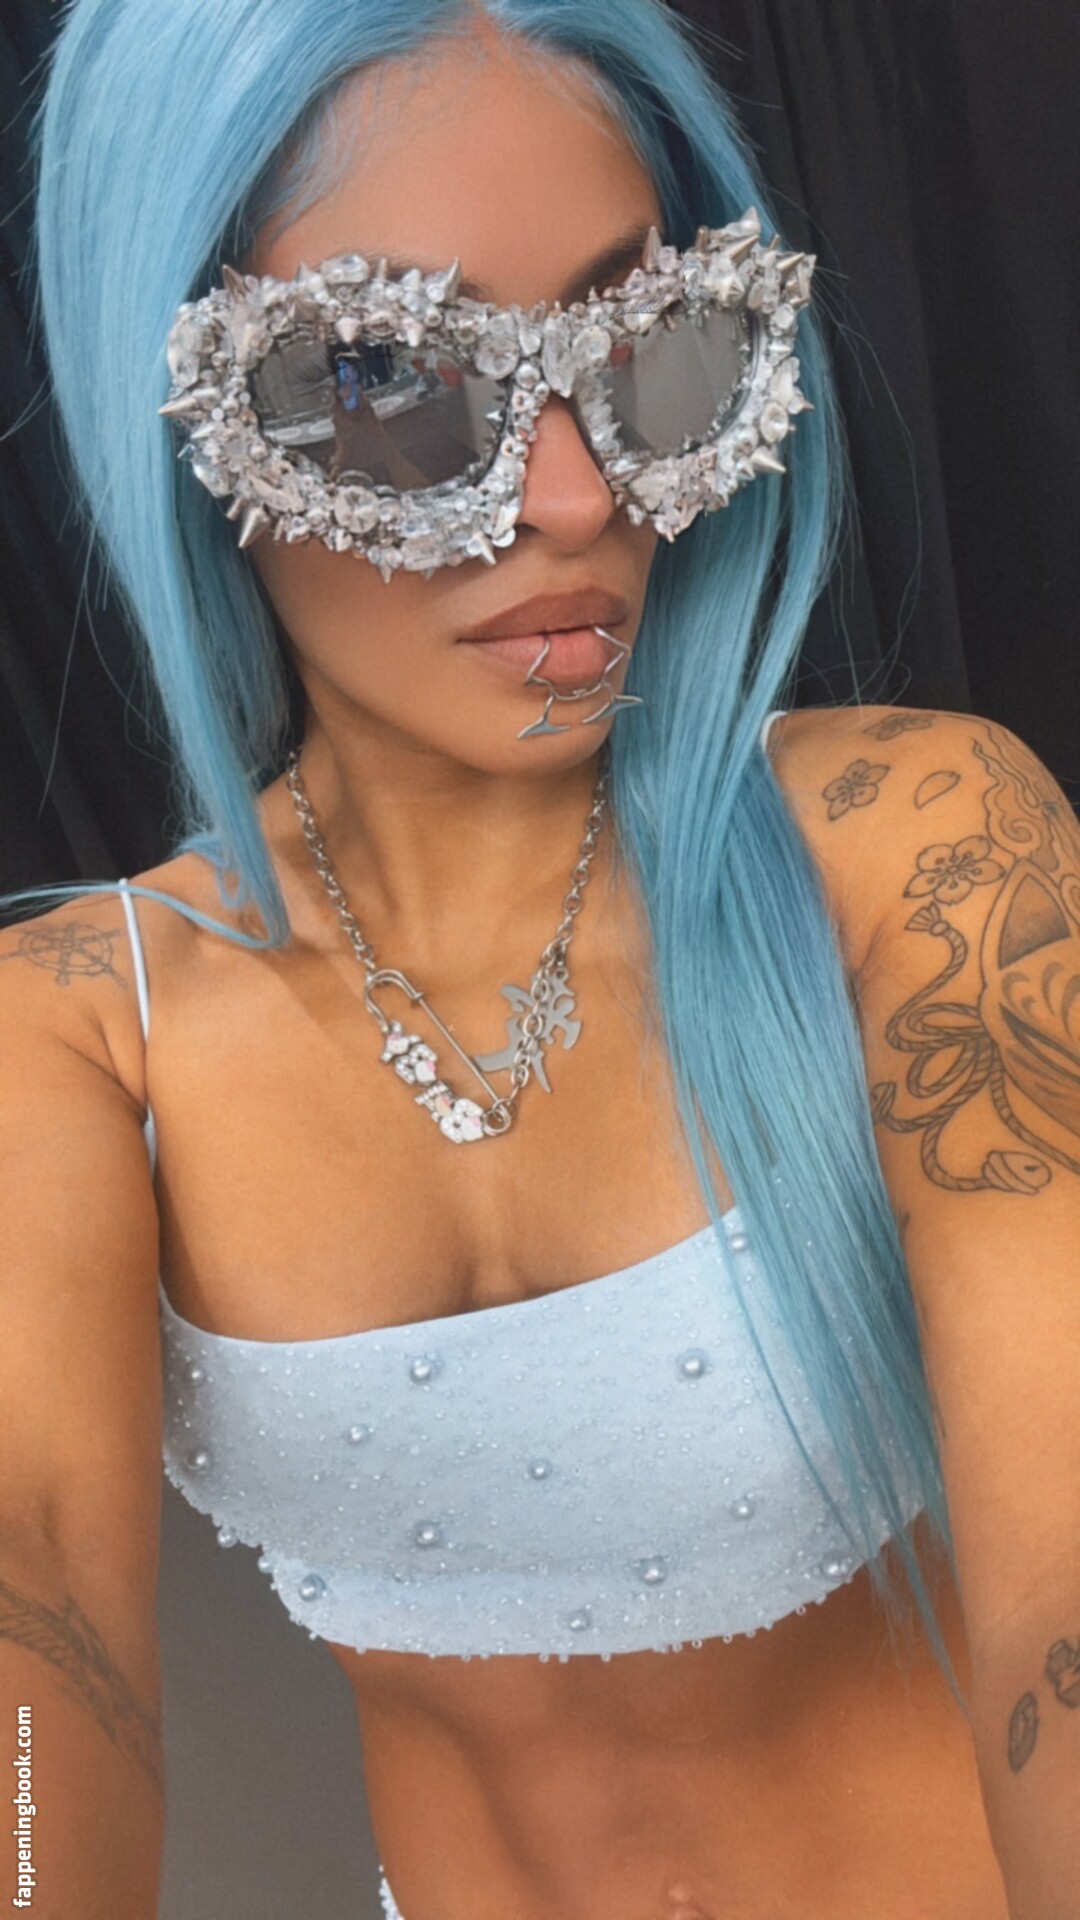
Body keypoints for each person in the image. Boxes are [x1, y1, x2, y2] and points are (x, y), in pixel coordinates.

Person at [2, 2, 1077, 1916]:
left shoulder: (915, 847)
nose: (575, 498)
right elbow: (39, 1625)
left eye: (652, 353)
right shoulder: (85, 1032)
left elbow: (1063, 1574)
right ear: (178, 410)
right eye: (385, 383)